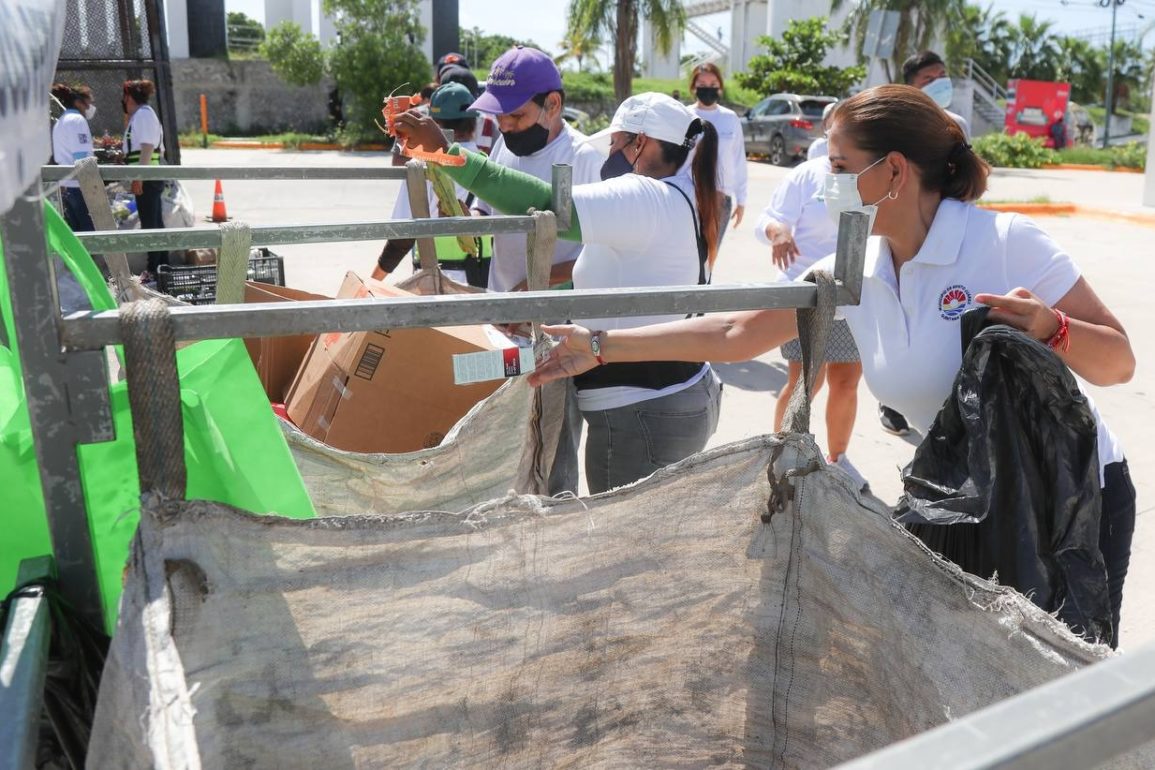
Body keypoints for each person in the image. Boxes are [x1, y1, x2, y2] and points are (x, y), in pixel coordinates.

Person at [528, 84, 1136, 644]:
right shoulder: (858, 266)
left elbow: (1118, 361)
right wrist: (602, 345)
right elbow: (739, 330)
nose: (826, 186)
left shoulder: (1004, 244)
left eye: (840, 168)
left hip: (1069, 491)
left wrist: (1053, 329)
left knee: (1058, 679)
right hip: (963, 493)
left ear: (894, 170)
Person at [394, 91, 725, 494]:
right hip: (673, 394)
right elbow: (615, 281)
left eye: (617, 144)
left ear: (641, 143)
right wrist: (547, 301)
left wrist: (448, 155)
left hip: (640, 412)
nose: (611, 157)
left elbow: (548, 206)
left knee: (624, 545)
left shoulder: (643, 196)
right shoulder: (684, 195)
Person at [754, 146, 867, 490]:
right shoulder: (808, 174)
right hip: (807, 293)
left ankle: (838, 459)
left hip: (855, 296)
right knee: (806, 384)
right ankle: (779, 458)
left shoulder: (872, 173)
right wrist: (779, 233)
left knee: (846, 383)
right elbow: (769, 219)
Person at [373, 82, 489, 287]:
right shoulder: (488, 167)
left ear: (433, 124)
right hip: (482, 287)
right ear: (474, 124)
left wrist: (371, 282)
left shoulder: (423, 168)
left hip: (430, 285)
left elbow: (402, 238)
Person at [688, 63, 746, 246]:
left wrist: (741, 200)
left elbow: (738, 160)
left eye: (713, 84)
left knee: (709, 260)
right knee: (688, 255)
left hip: (720, 199)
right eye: (702, 83)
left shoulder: (730, 118)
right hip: (688, 195)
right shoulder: (684, 115)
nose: (708, 88)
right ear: (694, 86)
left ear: (720, 87)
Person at [121, 79, 168, 277]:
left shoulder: (143, 115)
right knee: (154, 222)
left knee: (151, 224)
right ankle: (161, 266)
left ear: (129, 97)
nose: (122, 101)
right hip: (148, 176)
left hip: (148, 177)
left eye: (124, 97)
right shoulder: (140, 116)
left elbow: (148, 148)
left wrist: (139, 178)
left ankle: (153, 269)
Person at [50, 82, 96, 232]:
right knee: (89, 231)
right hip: (80, 186)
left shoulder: (61, 121)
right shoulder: (77, 120)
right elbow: (81, 157)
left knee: (78, 232)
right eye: (88, 104)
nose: (89, 108)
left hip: (68, 185)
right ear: (78, 102)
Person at [902, 51, 970, 139]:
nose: (939, 84)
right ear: (911, 88)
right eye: (929, 80)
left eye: (942, 76)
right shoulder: (899, 124)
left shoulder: (958, 124)